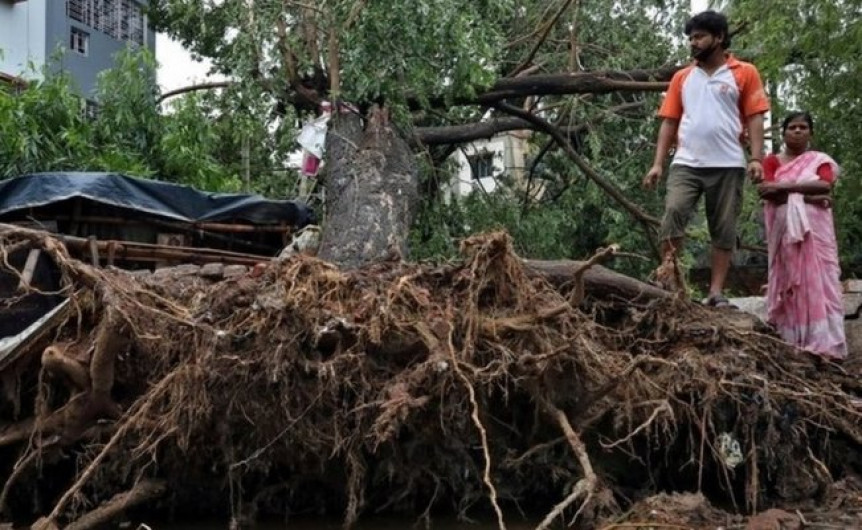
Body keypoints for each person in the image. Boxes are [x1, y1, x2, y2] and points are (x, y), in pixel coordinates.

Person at [643, 10, 770, 306]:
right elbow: (669, 122)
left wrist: (755, 158)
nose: (693, 43)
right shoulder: (682, 77)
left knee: (723, 227)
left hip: (728, 164)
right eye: (690, 38)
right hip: (686, 162)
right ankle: (670, 283)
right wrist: (658, 163)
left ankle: (715, 292)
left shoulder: (744, 72)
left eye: (699, 36)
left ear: (720, 38)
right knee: (674, 213)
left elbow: (754, 118)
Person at [758, 112, 847, 360]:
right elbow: (767, 192)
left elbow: (824, 185)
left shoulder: (820, 160)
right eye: (792, 127)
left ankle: (826, 343)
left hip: (817, 232)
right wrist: (810, 196)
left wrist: (785, 187)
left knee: (822, 279)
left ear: (811, 133)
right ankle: (792, 341)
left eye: (803, 127)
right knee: (791, 281)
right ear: (783, 133)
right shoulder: (772, 161)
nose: (797, 131)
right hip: (785, 230)